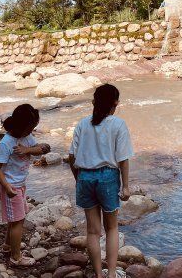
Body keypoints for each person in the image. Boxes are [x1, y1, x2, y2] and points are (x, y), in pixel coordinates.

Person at [69, 84, 134, 278]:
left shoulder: (82, 124)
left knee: (92, 231)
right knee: (112, 228)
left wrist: (78, 178)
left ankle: (98, 274)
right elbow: (123, 159)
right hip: (107, 178)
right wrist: (126, 186)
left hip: (85, 177)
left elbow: (72, 157)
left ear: (93, 103)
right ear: (116, 104)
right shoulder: (118, 124)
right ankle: (111, 274)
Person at [0, 104, 50, 268]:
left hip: (19, 184)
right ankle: (16, 258)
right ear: (20, 126)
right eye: (31, 127)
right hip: (10, 187)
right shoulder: (6, 143)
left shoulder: (26, 137)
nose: (32, 130)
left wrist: (28, 150)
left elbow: (40, 149)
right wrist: (7, 187)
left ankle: (8, 246)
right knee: (18, 221)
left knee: (14, 219)